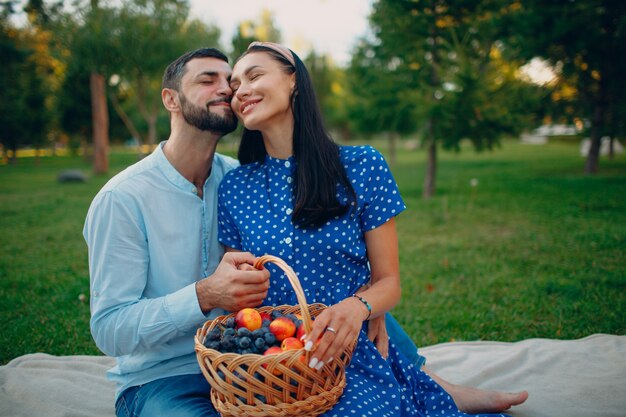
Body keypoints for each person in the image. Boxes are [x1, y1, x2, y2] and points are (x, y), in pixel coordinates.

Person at [218, 41, 528, 416]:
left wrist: (362, 306)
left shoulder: (362, 166)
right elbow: (239, 293)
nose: (242, 91)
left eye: (254, 75)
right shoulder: (235, 187)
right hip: (274, 368)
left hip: (348, 354)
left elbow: (389, 282)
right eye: (235, 86)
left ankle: (433, 391)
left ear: (294, 81)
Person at [83, 47, 271, 417]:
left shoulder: (239, 180)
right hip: (161, 380)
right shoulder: (122, 199)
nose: (226, 89)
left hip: (246, 364)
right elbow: (110, 330)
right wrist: (203, 295)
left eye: (229, 81)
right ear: (170, 99)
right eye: (207, 79)